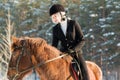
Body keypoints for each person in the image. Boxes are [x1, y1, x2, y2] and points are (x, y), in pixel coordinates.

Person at [49, 4, 89, 80]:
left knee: (84, 70)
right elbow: (54, 45)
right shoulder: (55, 29)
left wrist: (74, 49)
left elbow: (82, 40)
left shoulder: (73, 23)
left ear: (61, 14)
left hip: (76, 53)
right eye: (52, 17)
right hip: (63, 54)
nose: (54, 19)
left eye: (55, 16)